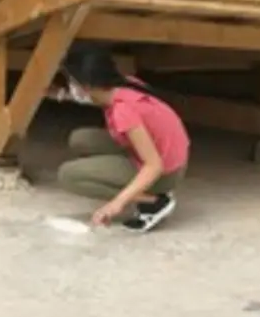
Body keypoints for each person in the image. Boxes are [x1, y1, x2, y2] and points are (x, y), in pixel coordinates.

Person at [55, 46, 189, 233]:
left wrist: (116, 204)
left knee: (69, 175)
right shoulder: (124, 84)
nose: (71, 87)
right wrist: (58, 94)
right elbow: (90, 98)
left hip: (164, 172)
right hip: (166, 154)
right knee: (80, 139)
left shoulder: (124, 111)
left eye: (72, 82)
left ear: (86, 86)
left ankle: (154, 202)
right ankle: (139, 187)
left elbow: (154, 165)